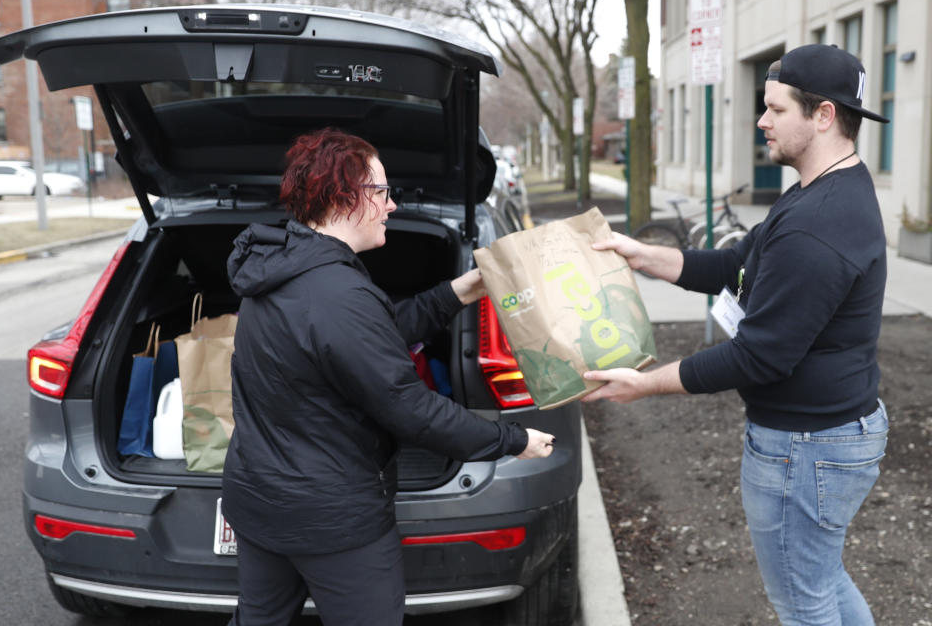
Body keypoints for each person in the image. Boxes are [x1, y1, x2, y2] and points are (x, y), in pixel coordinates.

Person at [583, 44, 890, 625]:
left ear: (823, 115)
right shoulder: (816, 190)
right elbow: (737, 267)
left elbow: (759, 356)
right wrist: (643, 255)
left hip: (808, 449)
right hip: (827, 436)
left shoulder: (819, 225)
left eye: (775, 109)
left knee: (804, 602)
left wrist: (642, 385)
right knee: (820, 581)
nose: (761, 121)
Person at [221, 127, 555, 626]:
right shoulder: (338, 294)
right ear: (345, 197)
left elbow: (365, 338)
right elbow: (412, 411)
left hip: (259, 499)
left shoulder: (282, 267)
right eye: (382, 191)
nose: (392, 205)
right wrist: (511, 439)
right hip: (332, 519)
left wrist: (459, 292)